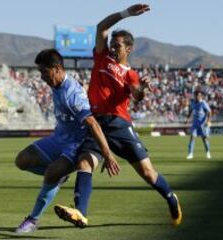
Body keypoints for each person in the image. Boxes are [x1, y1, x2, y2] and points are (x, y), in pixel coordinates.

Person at [54, 3, 182, 228]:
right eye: (112, 44)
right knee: (85, 162)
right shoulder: (102, 57)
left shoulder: (130, 73)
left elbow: (137, 96)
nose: (113, 48)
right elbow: (101, 27)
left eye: (118, 45)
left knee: (148, 174)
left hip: (118, 124)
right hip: (95, 123)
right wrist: (126, 14)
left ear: (129, 49)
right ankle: (80, 213)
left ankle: (171, 197)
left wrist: (142, 87)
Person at [15, 49, 120, 233]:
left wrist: (107, 154)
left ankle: (33, 219)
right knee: (22, 160)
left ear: (56, 69)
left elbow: (93, 124)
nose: (41, 77)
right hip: (58, 138)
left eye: (44, 72)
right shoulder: (56, 84)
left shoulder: (72, 94)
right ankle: (58, 177)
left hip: (76, 143)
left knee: (51, 173)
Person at [186, 90, 211, 159]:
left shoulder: (203, 103)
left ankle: (208, 152)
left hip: (202, 124)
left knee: (204, 139)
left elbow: (209, 112)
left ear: (200, 96)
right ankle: (190, 154)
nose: (197, 97)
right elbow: (190, 110)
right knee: (192, 138)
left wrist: (208, 121)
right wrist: (188, 118)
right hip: (195, 124)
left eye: (198, 95)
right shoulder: (193, 103)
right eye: (196, 95)